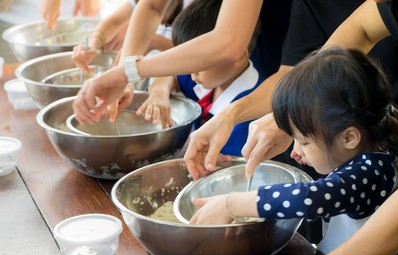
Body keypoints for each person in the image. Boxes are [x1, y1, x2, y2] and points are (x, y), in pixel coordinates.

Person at [189, 46, 398, 255]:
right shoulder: (365, 153)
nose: (295, 152)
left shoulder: (373, 173)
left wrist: (230, 205)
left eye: (304, 142)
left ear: (349, 138)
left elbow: (310, 199)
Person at [183, 0, 398, 181]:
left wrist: (241, 205)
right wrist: (229, 116)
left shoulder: (374, 168)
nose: (296, 150)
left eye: (304, 141)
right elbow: (291, 71)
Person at [71, 0, 293, 125]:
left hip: (288, 42)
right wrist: (124, 74)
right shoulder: (197, 79)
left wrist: (128, 72)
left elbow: (228, 42)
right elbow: (152, 7)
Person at [137, 0, 262, 156]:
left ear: (237, 56)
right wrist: (159, 93)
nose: (190, 73)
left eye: (198, 66)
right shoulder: (211, 79)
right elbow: (170, 76)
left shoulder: (250, 113)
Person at [71, 0, 184, 72]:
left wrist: (155, 42)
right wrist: (93, 44)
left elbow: (197, 52)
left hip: (179, 78)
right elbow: (114, 21)